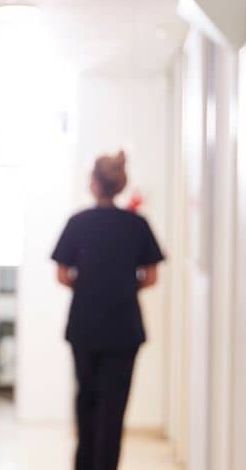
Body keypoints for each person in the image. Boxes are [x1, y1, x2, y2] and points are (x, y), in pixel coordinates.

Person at [50, 151, 165, 470]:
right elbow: (151, 277)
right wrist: (123, 287)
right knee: (114, 408)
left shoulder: (78, 223)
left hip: (85, 324)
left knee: (85, 400)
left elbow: (62, 274)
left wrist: (89, 286)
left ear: (94, 184)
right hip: (124, 328)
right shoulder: (137, 224)